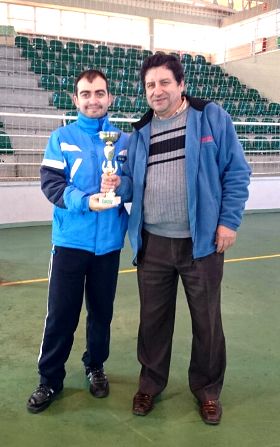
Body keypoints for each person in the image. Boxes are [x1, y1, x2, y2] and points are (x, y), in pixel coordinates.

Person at [101, 52, 251, 425]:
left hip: (200, 244)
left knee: (207, 322)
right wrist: (121, 184)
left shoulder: (210, 117)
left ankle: (208, 390)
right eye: (150, 85)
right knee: (152, 322)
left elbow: (237, 171)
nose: (157, 90)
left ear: (181, 84)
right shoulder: (140, 133)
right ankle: (150, 383)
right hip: (153, 244)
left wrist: (228, 222)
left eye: (165, 82)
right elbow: (138, 183)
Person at [26, 69, 129, 413]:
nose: (93, 100)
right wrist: (85, 201)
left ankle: (95, 365)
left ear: (109, 98)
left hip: (109, 244)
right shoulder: (61, 138)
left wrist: (119, 187)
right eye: (86, 94)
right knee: (61, 315)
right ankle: (49, 379)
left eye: (100, 93)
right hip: (70, 241)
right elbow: (51, 184)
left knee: (101, 314)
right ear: (76, 99)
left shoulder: (123, 141)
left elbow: (132, 184)